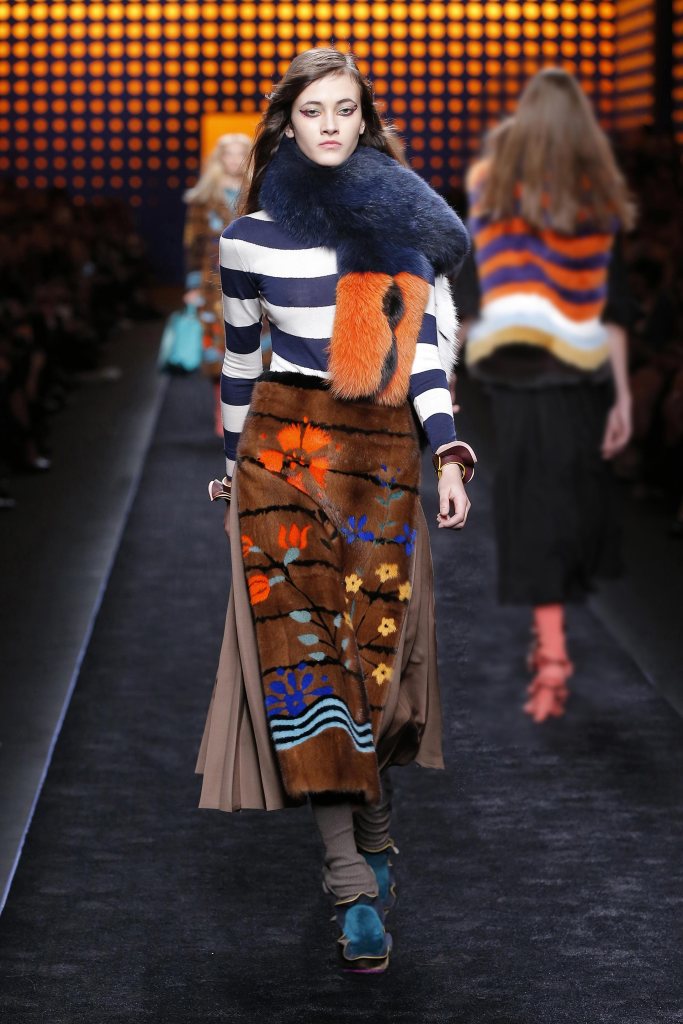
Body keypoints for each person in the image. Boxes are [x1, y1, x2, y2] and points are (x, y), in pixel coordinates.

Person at [195, 47, 475, 973]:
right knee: (305, 666)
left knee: (372, 668)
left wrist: (449, 453)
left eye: (343, 109)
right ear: (288, 121)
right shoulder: (246, 239)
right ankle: (350, 883)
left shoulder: (398, 228)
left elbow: (423, 355)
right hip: (281, 454)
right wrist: (231, 472)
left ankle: (375, 820)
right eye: (312, 109)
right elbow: (241, 364)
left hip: (380, 455)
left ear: (363, 120)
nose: (328, 125)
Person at [463, 68, 635, 723]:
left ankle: (552, 648)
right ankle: (553, 642)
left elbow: (478, 277)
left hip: (514, 368)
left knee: (533, 501)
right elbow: (611, 304)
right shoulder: (597, 195)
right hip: (581, 370)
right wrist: (622, 396)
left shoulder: (491, 183)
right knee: (564, 500)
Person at [183, 133, 251, 434]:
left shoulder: (258, 192)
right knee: (218, 349)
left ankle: (246, 409)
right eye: (228, 154)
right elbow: (194, 244)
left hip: (251, 280)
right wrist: (192, 285)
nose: (234, 160)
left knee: (250, 345)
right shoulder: (204, 199)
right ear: (219, 159)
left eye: (240, 153)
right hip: (213, 283)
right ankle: (222, 408)